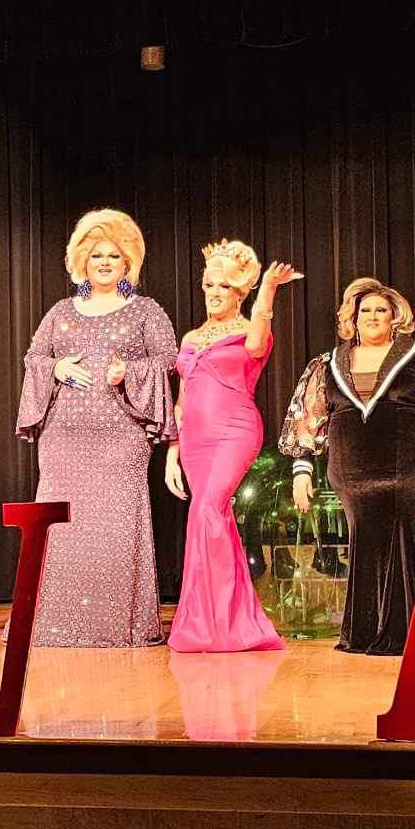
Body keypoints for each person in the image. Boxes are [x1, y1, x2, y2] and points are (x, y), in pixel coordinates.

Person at [280, 277, 415, 655]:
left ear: (394, 317)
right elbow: (309, 416)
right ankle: (365, 632)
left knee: (414, 543)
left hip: (411, 469)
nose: (373, 316)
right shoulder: (326, 364)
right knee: (366, 542)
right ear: (353, 319)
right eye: (365, 311)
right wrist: (302, 469)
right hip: (353, 472)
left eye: (381, 310)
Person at [16, 209, 179, 647]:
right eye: (96, 256)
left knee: (116, 527)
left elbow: (169, 360)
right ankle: (54, 626)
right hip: (63, 438)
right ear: (82, 263)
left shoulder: (146, 311)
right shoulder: (59, 312)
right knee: (61, 526)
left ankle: (116, 626)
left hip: (121, 438)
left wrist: (129, 371)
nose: (105, 263)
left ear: (128, 264)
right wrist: (57, 367)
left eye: (114, 256)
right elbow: (33, 359)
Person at [165, 240, 299, 653]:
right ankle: (214, 623)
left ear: (239, 292)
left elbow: (258, 343)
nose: (214, 293)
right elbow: (182, 398)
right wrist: (172, 447)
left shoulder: (248, 331)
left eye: (223, 286)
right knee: (208, 517)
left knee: (209, 509)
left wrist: (270, 290)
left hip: (234, 430)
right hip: (194, 439)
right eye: (208, 285)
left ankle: (223, 622)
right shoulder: (191, 336)